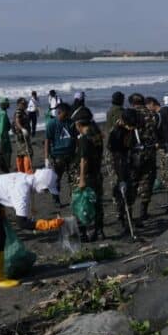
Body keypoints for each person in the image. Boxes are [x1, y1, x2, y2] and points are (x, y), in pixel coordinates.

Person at [0, 169, 63, 287]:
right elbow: (22, 223)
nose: (44, 193)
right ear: (41, 185)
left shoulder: (25, 179)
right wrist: (48, 225)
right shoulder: (22, 190)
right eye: (45, 190)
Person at [73, 109, 105, 240]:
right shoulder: (97, 136)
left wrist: (81, 179)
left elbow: (84, 160)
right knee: (97, 203)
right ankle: (99, 231)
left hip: (87, 175)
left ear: (79, 125)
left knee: (82, 204)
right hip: (97, 173)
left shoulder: (85, 139)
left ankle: (84, 233)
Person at [127, 93, 158, 224]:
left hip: (134, 153)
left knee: (132, 182)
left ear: (131, 103)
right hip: (150, 151)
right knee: (147, 180)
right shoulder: (153, 115)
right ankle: (143, 211)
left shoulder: (128, 115)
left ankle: (129, 212)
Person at [108, 107, 138, 236]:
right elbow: (116, 156)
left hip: (127, 160)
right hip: (117, 163)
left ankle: (129, 217)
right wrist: (121, 177)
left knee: (129, 192)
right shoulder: (116, 133)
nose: (132, 128)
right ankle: (122, 220)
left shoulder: (129, 128)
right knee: (120, 192)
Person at [44, 102, 77, 206]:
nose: (67, 116)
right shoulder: (51, 123)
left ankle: (74, 199)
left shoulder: (71, 122)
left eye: (68, 114)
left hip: (71, 155)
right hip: (57, 156)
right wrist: (46, 157)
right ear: (59, 112)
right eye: (65, 113)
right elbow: (47, 141)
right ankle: (56, 199)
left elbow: (76, 138)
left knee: (73, 178)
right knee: (56, 179)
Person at [12, 98, 34, 174]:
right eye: (24, 104)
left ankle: (21, 171)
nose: (25, 105)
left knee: (21, 153)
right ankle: (27, 171)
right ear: (19, 104)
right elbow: (17, 121)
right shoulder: (18, 111)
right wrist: (22, 129)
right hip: (21, 136)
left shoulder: (23, 112)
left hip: (22, 136)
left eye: (26, 103)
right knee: (28, 152)